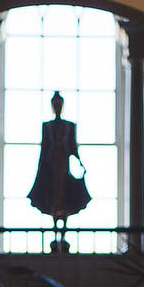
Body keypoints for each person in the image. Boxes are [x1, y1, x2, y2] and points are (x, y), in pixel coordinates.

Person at [27, 91, 91, 248]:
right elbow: (44, 148)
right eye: (55, 105)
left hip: (64, 169)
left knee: (65, 199)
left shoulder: (69, 126)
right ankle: (57, 235)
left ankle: (62, 236)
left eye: (59, 105)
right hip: (51, 169)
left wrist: (80, 163)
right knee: (53, 199)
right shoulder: (47, 126)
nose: (57, 107)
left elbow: (73, 147)